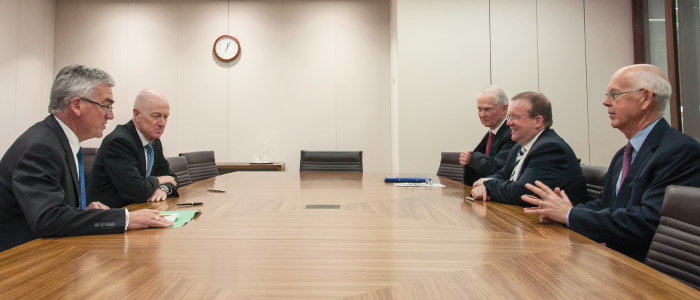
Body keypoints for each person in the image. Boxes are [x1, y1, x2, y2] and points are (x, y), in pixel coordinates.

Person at [521, 64, 700, 262]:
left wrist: (571, 215)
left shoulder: (679, 151)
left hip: (646, 272)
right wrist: (562, 213)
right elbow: (606, 204)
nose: (606, 102)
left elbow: (648, 221)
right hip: (614, 261)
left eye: (614, 94)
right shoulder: (624, 154)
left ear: (646, 98)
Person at [0, 65, 173, 252]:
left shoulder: (60, 142)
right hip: (18, 262)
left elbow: (55, 210)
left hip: (50, 250)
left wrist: (83, 213)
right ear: (76, 105)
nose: (111, 115)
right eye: (106, 106)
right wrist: (125, 219)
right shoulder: (41, 148)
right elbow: (47, 219)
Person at [470, 91, 587, 206]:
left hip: (555, 224)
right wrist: (483, 185)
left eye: (515, 117)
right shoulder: (518, 148)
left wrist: (486, 184)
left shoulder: (550, 148)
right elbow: (501, 175)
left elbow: (521, 193)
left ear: (537, 121)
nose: (508, 123)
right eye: (509, 117)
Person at [87, 89, 178, 208]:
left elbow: (172, 178)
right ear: (137, 114)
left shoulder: (154, 143)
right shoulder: (119, 142)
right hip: (111, 217)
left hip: (140, 211)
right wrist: (159, 180)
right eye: (156, 116)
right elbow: (136, 191)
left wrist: (163, 188)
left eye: (165, 117)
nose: (162, 123)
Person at [459, 86, 516, 185]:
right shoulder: (492, 133)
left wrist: (472, 158)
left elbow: (498, 169)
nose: (482, 114)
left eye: (487, 109)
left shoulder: (512, 134)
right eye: (479, 109)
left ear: (504, 108)